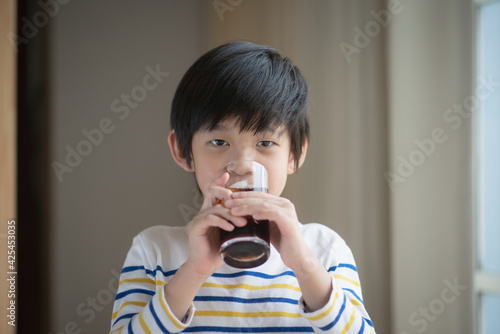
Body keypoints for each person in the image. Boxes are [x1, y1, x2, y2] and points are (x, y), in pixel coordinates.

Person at [109, 41, 376, 334]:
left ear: (294, 154)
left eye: (265, 143)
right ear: (183, 151)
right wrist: (193, 271)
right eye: (219, 142)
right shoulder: (154, 252)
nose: (244, 164)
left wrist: (304, 266)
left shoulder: (325, 250)